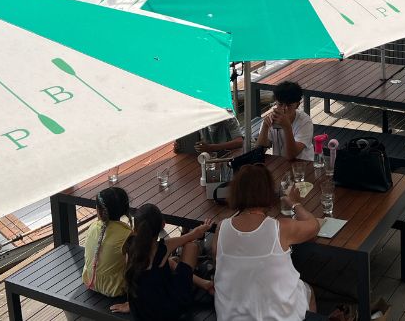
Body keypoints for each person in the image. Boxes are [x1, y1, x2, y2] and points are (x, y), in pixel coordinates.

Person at [213, 164, 320, 320]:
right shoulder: (280, 227)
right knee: (307, 290)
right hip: (276, 316)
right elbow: (314, 225)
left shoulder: (221, 228)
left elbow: (219, 268)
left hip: (231, 316)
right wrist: (295, 203)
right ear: (269, 192)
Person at [112, 204, 214, 319]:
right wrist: (205, 226)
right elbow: (194, 235)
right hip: (169, 310)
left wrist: (131, 304)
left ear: (136, 227)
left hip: (141, 310)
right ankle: (204, 283)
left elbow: (134, 279)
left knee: (169, 262)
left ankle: (204, 283)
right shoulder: (164, 246)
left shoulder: (129, 246)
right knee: (191, 247)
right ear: (163, 225)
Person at [81, 187, 132, 297]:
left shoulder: (93, 227)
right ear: (125, 209)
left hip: (90, 280)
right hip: (115, 288)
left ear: (99, 210)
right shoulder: (127, 234)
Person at [255, 81, 313, 161]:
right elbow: (260, 151)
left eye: (289, 105)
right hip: (280, 164)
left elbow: (291, 155)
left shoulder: (305, 121)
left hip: (303, 165)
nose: (284, 108)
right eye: (280, 104)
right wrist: (265, 127)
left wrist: (287, 126)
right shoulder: (272, 118)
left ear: (297, 105)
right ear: (276, 103)